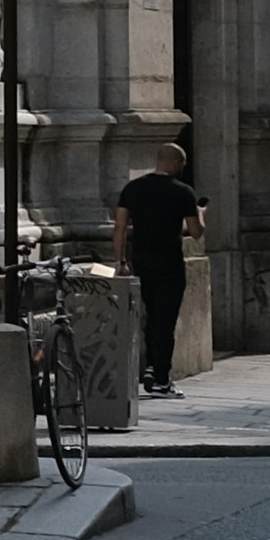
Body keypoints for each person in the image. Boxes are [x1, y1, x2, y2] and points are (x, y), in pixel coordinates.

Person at [112, 141, 203, 399]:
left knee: (151, 318)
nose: (182, 168)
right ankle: (162, 379)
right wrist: (201, 214)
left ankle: (151, 367)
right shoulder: (183, 192)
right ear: (174, 162)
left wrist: (120, 261)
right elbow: (196, 232)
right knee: (166, 320)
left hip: (142, 261)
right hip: (170, 263)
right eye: (182, 164)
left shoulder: (133, 188)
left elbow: (119, 227)